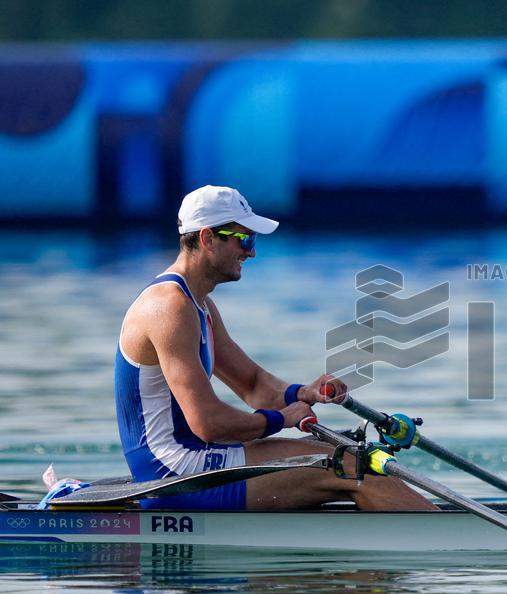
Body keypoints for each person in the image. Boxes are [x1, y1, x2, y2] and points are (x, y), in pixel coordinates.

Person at [115, 185, 434, 511]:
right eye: (245, 239)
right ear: (209, 238)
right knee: (353, 465)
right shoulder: (168, 308)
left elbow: (253, 385)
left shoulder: (199, 305)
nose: (251, 252)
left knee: (350, 451)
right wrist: (282, 419)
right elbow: (208, 422)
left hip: (194, 461)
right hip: (174, 473)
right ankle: (446, 548)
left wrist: (303, 394)